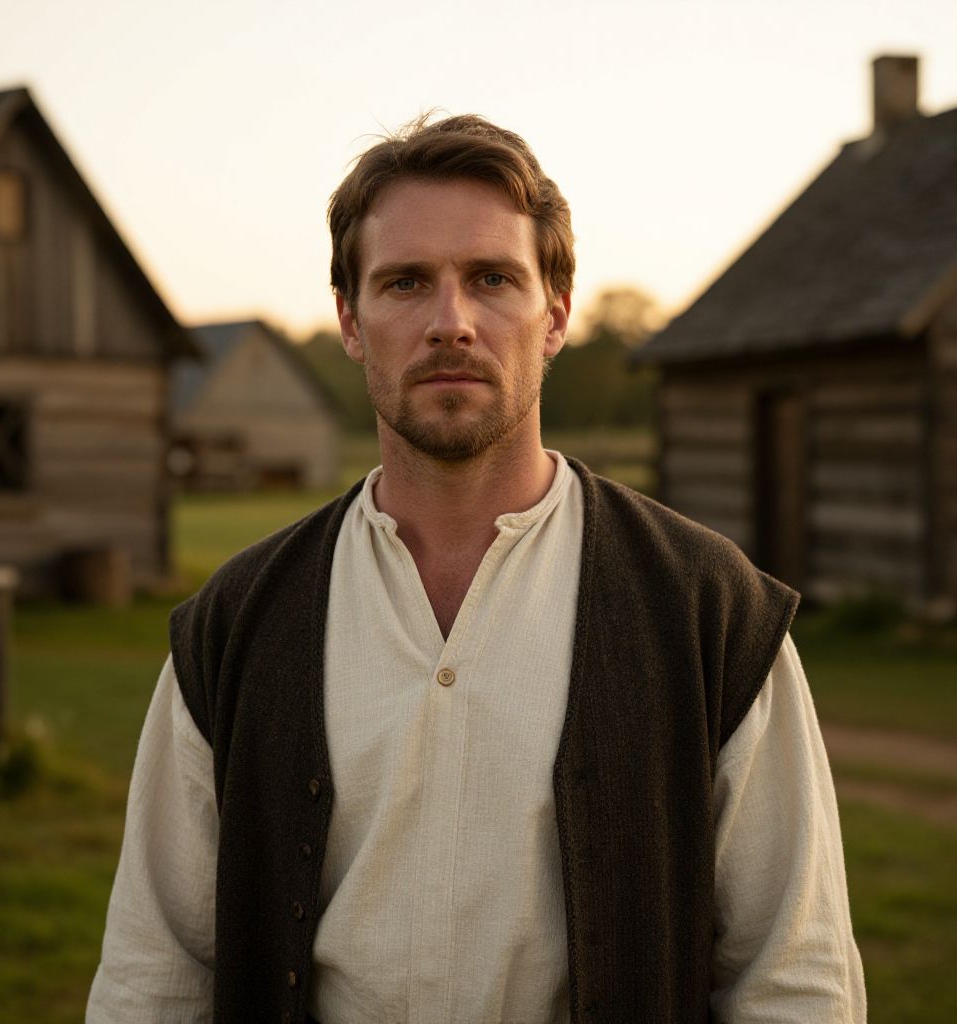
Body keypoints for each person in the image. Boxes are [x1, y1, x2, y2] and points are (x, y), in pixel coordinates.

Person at [87, 114, 865, 1024]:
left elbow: (794, 981)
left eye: (493, 279)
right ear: (349, 318)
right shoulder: (234, 624)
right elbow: (154, 975)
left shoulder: (709, 611)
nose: (450, 323)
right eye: (405, 283)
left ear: (557, 314)